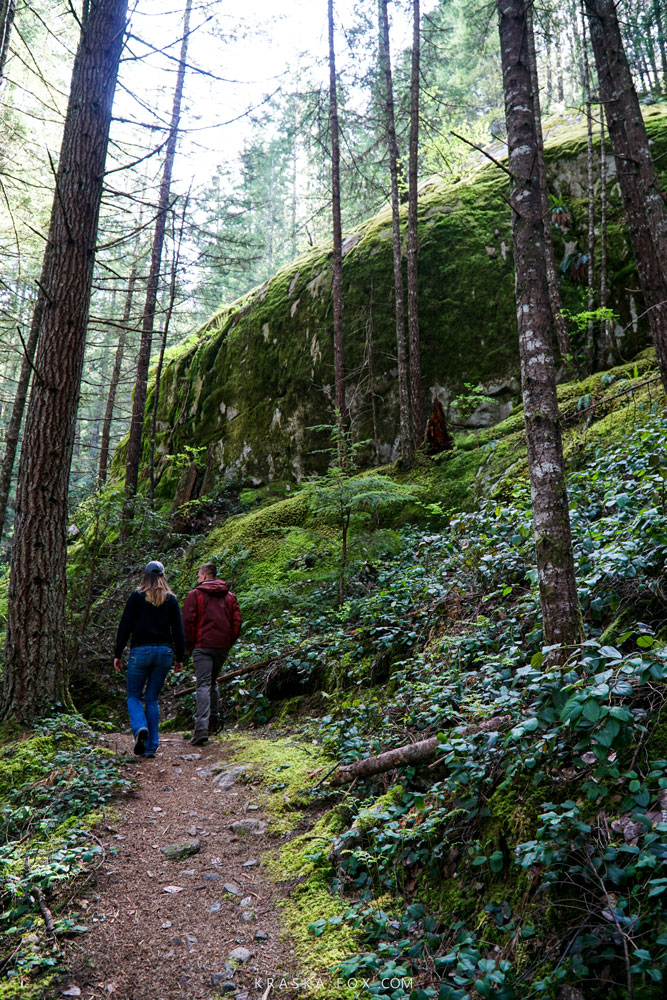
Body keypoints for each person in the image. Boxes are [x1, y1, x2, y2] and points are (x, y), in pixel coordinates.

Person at [114, 560, 185, 758]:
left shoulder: (136, 597)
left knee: (134, 696)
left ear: (145, 576)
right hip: (164, 652)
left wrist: (117, 653)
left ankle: (139, 728)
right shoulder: (171, 600)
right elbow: (178, 630)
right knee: (152, 698)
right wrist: (180, 657)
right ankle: (151, 746)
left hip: (140, 651)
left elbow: (125, 625)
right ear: (163, 576)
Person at [182, 562, 242, 745]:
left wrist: (190, 646)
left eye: (199, 576)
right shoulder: (230, 597)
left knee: (203, 684)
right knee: (212, 681)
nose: (198, 579)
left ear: (205, 576)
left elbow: (187, 622)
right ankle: (213, 722)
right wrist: (228, 642)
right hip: (221, 647)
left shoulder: (195, 595)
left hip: (202, 646)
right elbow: (237, 621)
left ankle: (201, 728)